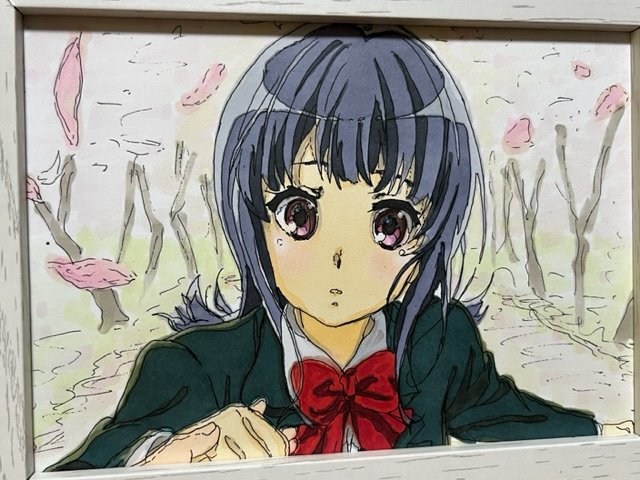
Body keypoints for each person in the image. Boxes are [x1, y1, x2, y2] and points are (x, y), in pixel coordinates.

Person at [47, 23, 603, 471]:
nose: (340, 257)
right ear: (254, 217)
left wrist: (616, 433)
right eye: (299, 213)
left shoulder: (439, 343)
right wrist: (162, 458)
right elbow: (85, 468)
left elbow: (515, 421)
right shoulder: (194, 367)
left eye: (390, 223)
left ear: (430, 234)